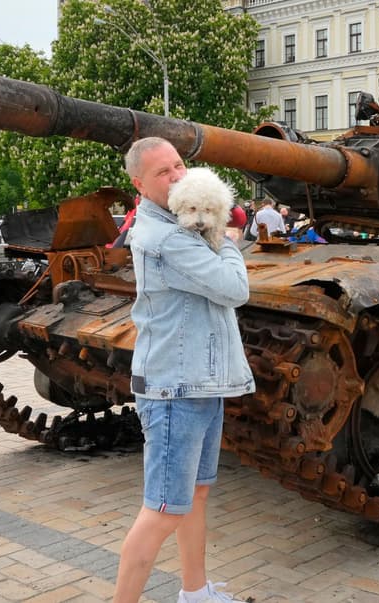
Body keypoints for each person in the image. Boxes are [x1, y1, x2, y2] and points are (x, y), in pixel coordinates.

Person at [114, 137, 254, 603]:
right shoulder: (167, 236)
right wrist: (232, 241)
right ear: (139, 184)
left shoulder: (182, 225)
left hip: (198, 381)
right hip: (175, 389)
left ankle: (195, 592)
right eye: (162, 173)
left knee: (193, 497)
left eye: (178, 165)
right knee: (162, 509)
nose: (176, 176)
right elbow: (234, 289)